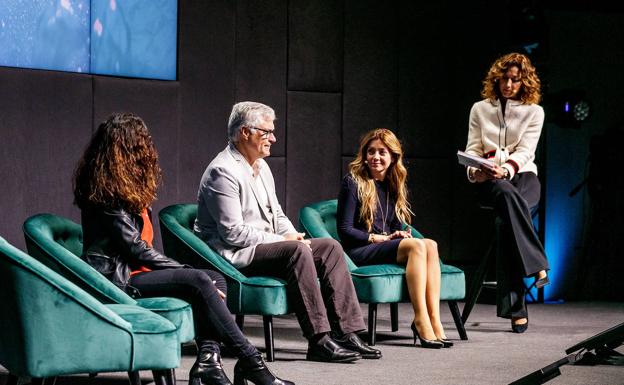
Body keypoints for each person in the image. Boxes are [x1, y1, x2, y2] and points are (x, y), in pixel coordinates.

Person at [74, 113, 293, 385]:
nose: (148, 149)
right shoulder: (105, 192)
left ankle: (208, 363)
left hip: (134, 269)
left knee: (214, 278)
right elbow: (134, 250)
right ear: (124, 149)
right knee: (200, 279)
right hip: (116, 277)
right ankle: (251, 361)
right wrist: (184, 270)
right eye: (141, 143)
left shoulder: (123, 186)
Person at [194, 101, 381, 363]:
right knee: (294, 250)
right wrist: (284, 240)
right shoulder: (222, 171)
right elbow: (232, 233)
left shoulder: (261, 166)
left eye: (272, 131)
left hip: (267, 246)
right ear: (245, 132)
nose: (273, 138)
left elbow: (277, 214)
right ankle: (318, 340)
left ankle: (346, 332)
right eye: (266, 132)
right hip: (236, 254)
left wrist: (295, 235)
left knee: (329, 247)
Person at [337, 128, 450, 349]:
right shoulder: (353, 182)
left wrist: (399, 233)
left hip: (383, 244)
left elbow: (394, 223)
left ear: (393, 157)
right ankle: (420, 319)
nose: (375, 157)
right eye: (371, 151)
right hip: (359, 250)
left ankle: (434, 319)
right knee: (417, 247)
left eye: (382, 152)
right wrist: (374, 238)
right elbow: (345, 230)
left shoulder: (393, 183)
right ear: (364, 154)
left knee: (430, 244)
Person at [464, 52, 550, 333]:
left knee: (506, 222)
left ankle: (516, 307)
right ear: (497, 78)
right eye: (505, 78)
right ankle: (537, 264)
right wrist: (476, 171)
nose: (509, 84)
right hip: (490, 182)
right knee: (502, 191)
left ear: (524, 82)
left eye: (515, 80)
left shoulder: (534, 111)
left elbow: (526, 151)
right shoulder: (479, 109)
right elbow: (472, 150)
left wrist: (508, 169)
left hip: (523, 176)